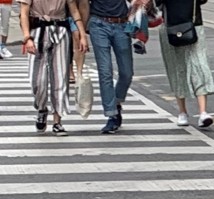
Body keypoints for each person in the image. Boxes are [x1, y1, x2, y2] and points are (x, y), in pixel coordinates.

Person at [17, 0, 88, 135]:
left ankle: (57, 121)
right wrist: (27, 37)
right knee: (37, 81)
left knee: (60, 77)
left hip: (60, 29)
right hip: (37, 32)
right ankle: (42, 108)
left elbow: (74, 11)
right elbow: (24, 13)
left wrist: (82, 35)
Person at [156, 0, 214, 127]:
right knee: (177, 69)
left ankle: (203, 112)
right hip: (171, 27)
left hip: (194, 25)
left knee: (199, 65)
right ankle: (182, 112)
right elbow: (158, 3)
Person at [82, 0, 133, 133]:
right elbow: (84, 3)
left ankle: (116, 102)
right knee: (105, 71)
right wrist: (82, 31)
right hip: (98, 24)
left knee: (127, 73)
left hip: (122, 24)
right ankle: (112, 114)